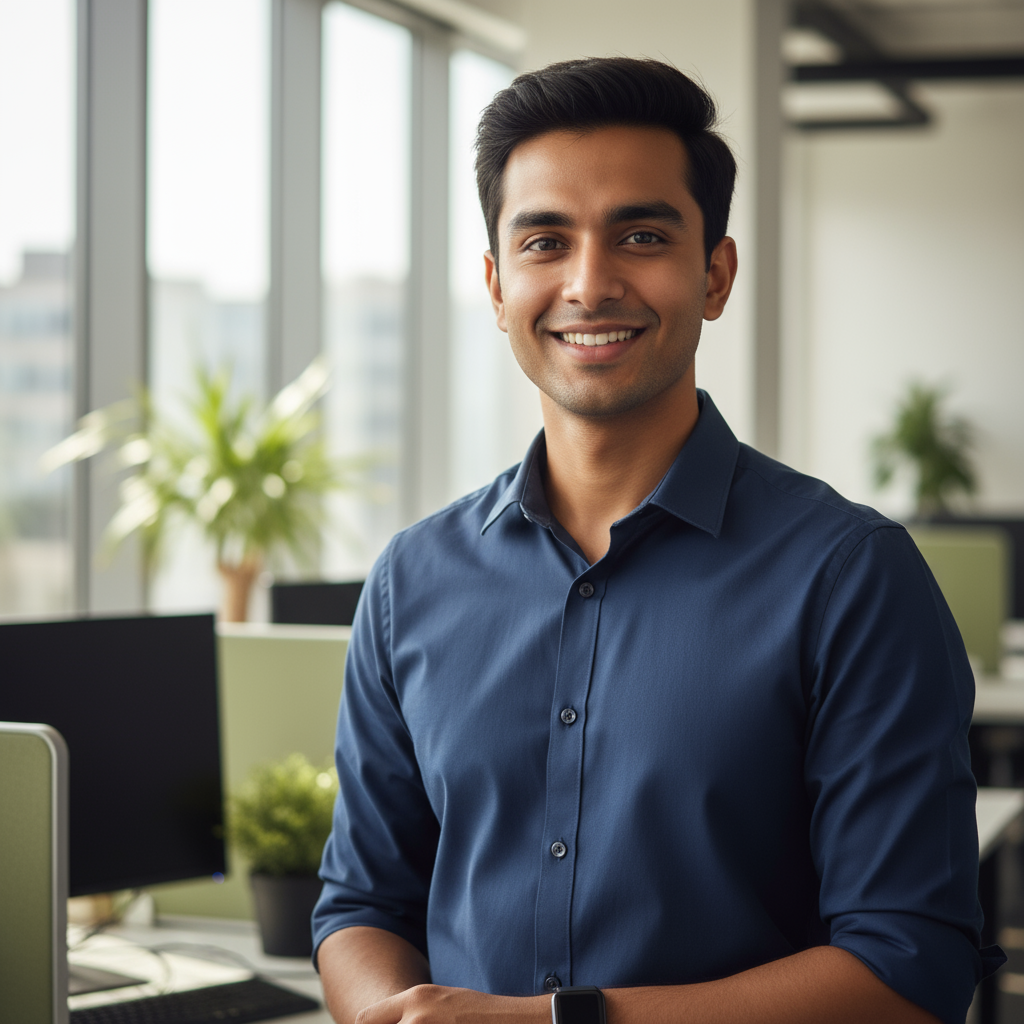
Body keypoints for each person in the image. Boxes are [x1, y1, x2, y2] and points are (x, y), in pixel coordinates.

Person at [312, 57, 1002, 1024]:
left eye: (641, 235)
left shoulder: (850, 576)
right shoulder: (410, 581)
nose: (590, 285)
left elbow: (910, 963)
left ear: (714, 274)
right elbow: (361, 903)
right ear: (497, 282)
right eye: (545, 241)